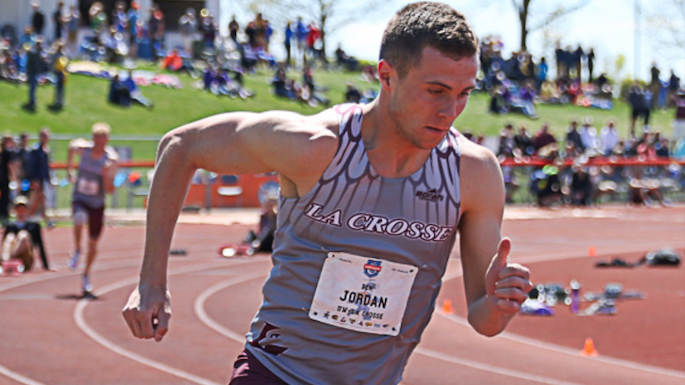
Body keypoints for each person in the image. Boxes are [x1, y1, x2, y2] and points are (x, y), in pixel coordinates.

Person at [122, 3, 532, 385]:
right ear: (386, 76)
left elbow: (484, 319)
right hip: (275, 373)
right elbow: (180, 146)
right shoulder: (315, 147)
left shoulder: (472, 173)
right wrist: (151, 282)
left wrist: (499, 304)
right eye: (436, 91)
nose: (450, 111)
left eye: (464, 93)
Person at [66, 123, 119, 295]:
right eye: (96, 140)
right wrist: (69, 170)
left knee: (93, 242)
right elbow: (71, 146)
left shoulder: (110, 160)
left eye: (102, 141)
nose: (99, 144)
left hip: (97, 203)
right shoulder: (85, 150)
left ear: (107, 141)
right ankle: (76, 250)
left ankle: (86, 275)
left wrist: (106, 175)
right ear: (93, 139)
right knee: (79, 219)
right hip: (80, 198)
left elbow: (110, 191)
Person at [2, 196, 51, 272]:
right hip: (11, 254)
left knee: (23, 235)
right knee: (10, 237)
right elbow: (4, 243)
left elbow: (40, 245)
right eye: (18, 208)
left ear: (27, 209)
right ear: (15, 210)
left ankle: (9, 261)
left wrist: (46, 266)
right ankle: (5, 261)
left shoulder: (33, 226)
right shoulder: (10, 226)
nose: (21, 211)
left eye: (23, 208)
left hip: (26, 258)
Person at [27, 128, 53, 228]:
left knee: (40, 200)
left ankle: (44, 219)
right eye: (43, 136)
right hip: (36, 180)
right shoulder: (35, 150)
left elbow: (46, 167)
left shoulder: (46, 150)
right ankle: (30, 218)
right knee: (35, 199)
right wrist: (33, 180)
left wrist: (49, 179)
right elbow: (31, 166)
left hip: (42, 180)